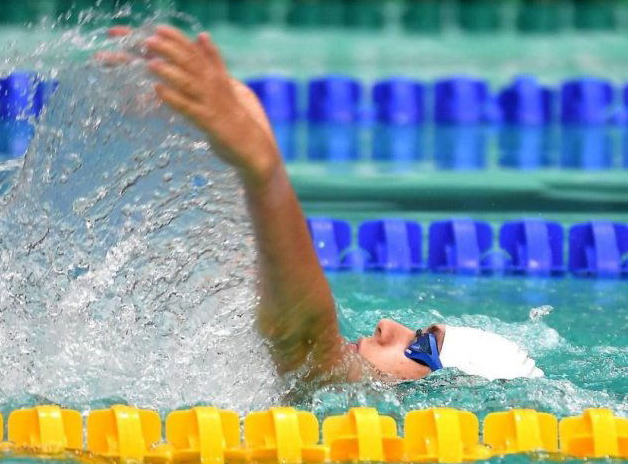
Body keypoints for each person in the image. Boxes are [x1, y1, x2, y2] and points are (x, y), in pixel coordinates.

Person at [101, 25, 543, 383]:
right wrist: (235, 103)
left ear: (445, 394)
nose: (387, 325)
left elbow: (302, 338)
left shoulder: (357, 396)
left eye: (420, 347)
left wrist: (262, 166)